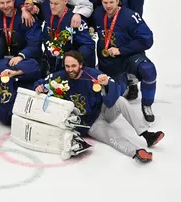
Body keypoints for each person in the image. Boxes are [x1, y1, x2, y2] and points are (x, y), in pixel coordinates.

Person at [33, 51, 164, 163]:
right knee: (111, 136)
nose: (70, 69)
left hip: (102, 111)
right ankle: (136, 152)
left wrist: (107, 84)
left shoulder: (92, 74)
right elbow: (40, 82)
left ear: (81, 65)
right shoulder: (59, 76)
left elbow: (113, 95)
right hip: (90, 124)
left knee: (121, 101)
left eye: (73, 66)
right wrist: (38, 87)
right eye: (67, 66)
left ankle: (147, 135)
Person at [92, 0, 156, 122]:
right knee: (114, 99)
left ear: (118, 1)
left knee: (149, 70)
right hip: (109, 63)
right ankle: (127, 82)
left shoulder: (130, 17)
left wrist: (122, 50)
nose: (108, 6)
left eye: (111, 2)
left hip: (129, 57)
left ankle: (147, 105)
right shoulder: (98, 14)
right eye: (105, 2)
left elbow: (147, 39)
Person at [40, 0, 95, 74]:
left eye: (56, 4)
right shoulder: (49, 16)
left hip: (70, 68)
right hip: (52, 64)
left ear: (65, 2)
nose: (52, 7)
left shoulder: (75, 20)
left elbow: (89, 44)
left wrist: (75, 58)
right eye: (51, 3)